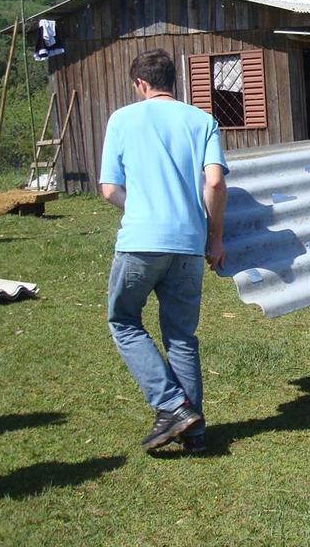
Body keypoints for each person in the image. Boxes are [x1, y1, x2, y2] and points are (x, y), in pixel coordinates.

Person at [99, 49, 228, 453]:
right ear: (173, 80)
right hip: (189, 244)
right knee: (181, 336)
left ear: (140, 83)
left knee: (122, 320)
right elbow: (215, 183)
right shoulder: (202, 120)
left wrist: (137, 206)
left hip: (141, 242)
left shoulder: (121, 120)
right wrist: (216, 236)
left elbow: (108, 189)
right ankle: (194, 432)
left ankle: (172, 405)